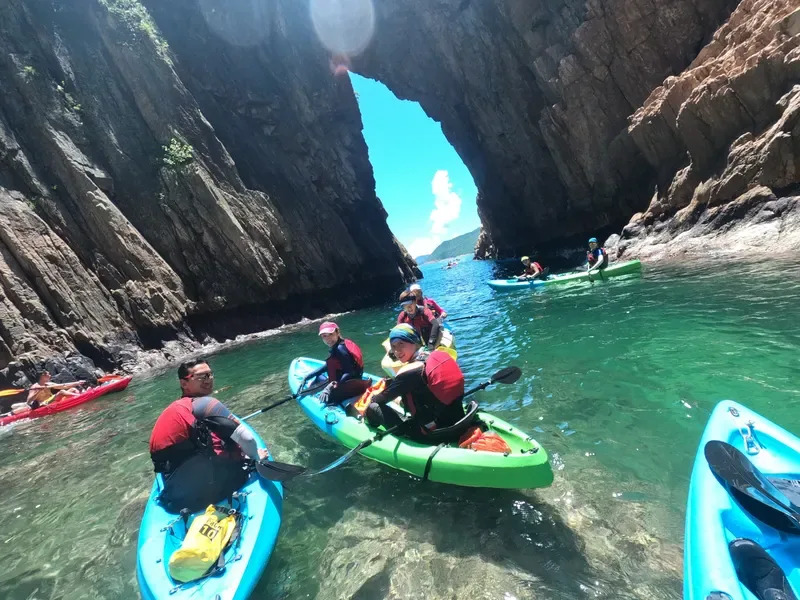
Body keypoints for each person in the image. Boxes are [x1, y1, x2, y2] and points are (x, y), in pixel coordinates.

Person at [149, 360, 267, 513]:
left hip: (176, 501)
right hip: (213, 493)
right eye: (201, 376)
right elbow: (248, 438)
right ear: (184, 383)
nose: (209, 379)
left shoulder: (177, 410)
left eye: (210, 374)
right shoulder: (206, 404)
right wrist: (256, 458)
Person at [365, 324, 466, 442]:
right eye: (393, 346)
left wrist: (373, 400)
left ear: (413, 341)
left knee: (372, 407)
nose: (397, 351)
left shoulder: (409, 371)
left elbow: (378, 400)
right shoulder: (438, 354)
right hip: (459, 420)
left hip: (433, 433)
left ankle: (365, 425)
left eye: (401, 344)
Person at [303, 322, 370, 405]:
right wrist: (309, 376)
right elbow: (328, 366)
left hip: (350, 386)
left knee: (323, 391)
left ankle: (333, 402)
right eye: (324, 336)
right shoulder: (342, 344)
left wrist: (331, 386)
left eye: (330, 334)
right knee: (319, 377)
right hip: (355, 382)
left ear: (337, 332)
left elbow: (349, 372)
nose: (328, 339)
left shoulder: (340, 349)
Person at [9, 371, 84, 414]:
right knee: (61, 392)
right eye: (48, 374)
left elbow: (64, 386)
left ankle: (78, 395)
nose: (50, 376)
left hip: (52, 400)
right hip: (44, 404)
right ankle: (80, 396)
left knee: (73, 389)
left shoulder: (48, 384)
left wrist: (77, 383)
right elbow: (29, 401)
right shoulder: (34, 387)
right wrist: (38, 391)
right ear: (43, 376)